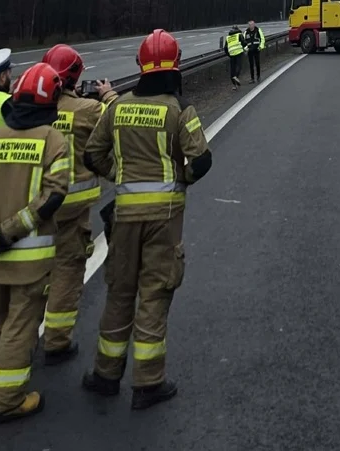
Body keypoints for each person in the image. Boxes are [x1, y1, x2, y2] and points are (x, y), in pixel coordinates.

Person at [81, 29, 212, 410]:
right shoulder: (178, 109)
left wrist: (118, 176)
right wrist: (179, 178)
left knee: (120, 292)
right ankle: (148, 383)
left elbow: (93, 154)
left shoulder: (118, 107)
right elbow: (201, 159)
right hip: (164, 217)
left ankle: (105, 375)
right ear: (176, 65)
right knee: (154, 294)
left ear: (140, 66)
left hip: (123, 216)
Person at [0, 62, 71, 423]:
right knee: (20, 325)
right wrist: (9, 231)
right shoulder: (53, 140)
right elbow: (53, 196)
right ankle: (8, 400)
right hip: (28, 259)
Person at [39, 44, 117, 365]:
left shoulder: (27, 110)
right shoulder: (88, 109)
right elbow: (119, 121)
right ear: (74, 77)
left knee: (33, 271)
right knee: (68, 270)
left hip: (33, 208)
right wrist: (108, 94)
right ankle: (57, 340)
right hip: (71, 210)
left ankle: (17, 339)